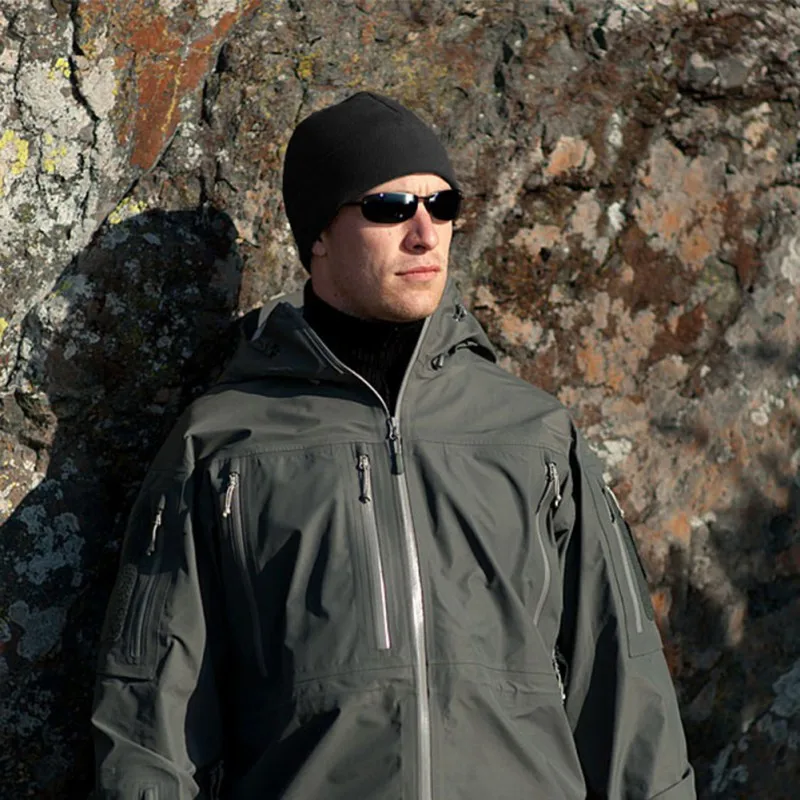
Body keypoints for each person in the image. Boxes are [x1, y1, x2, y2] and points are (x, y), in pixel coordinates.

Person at [92, 91, 696, 799]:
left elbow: (627, 688)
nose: (424, 233)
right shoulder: (224, 446)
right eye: (389, 207)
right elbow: (149, 718)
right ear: (319, 235)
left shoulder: (532, 434)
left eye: (442, 205)